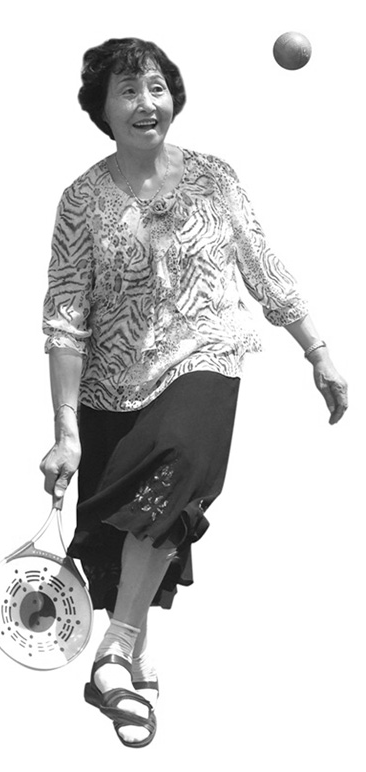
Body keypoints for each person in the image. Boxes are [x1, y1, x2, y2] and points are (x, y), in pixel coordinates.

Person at [40, 37, 348, 747]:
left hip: (206, 354)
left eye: (156, 87)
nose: (146, 103)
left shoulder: (215, 179)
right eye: (128, 91)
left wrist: (319, 352)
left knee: (177, 464)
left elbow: (262, 265)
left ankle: (112, 651)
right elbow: (64, 316)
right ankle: (134, 660)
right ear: (103, 109)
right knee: (130, 527)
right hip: (112, 385)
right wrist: (65, 430)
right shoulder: (81, 200)